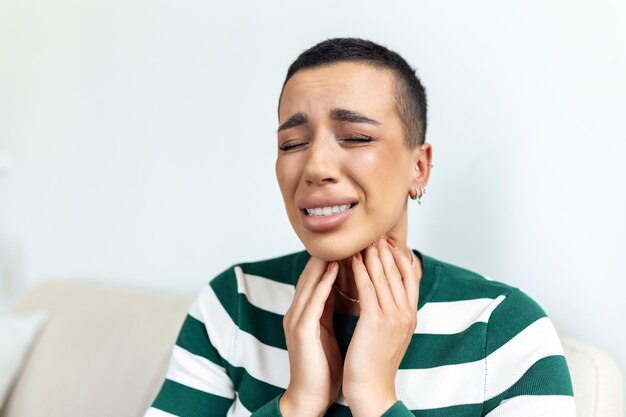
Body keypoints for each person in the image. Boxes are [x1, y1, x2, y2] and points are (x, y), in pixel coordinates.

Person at [144, 38, 576, 417]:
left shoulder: (504, 330)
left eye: (355, 137)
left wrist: (374, 399)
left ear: (419, 167)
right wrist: (296, 405)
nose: (315, 167)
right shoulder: (235, 302)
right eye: (292, 144)